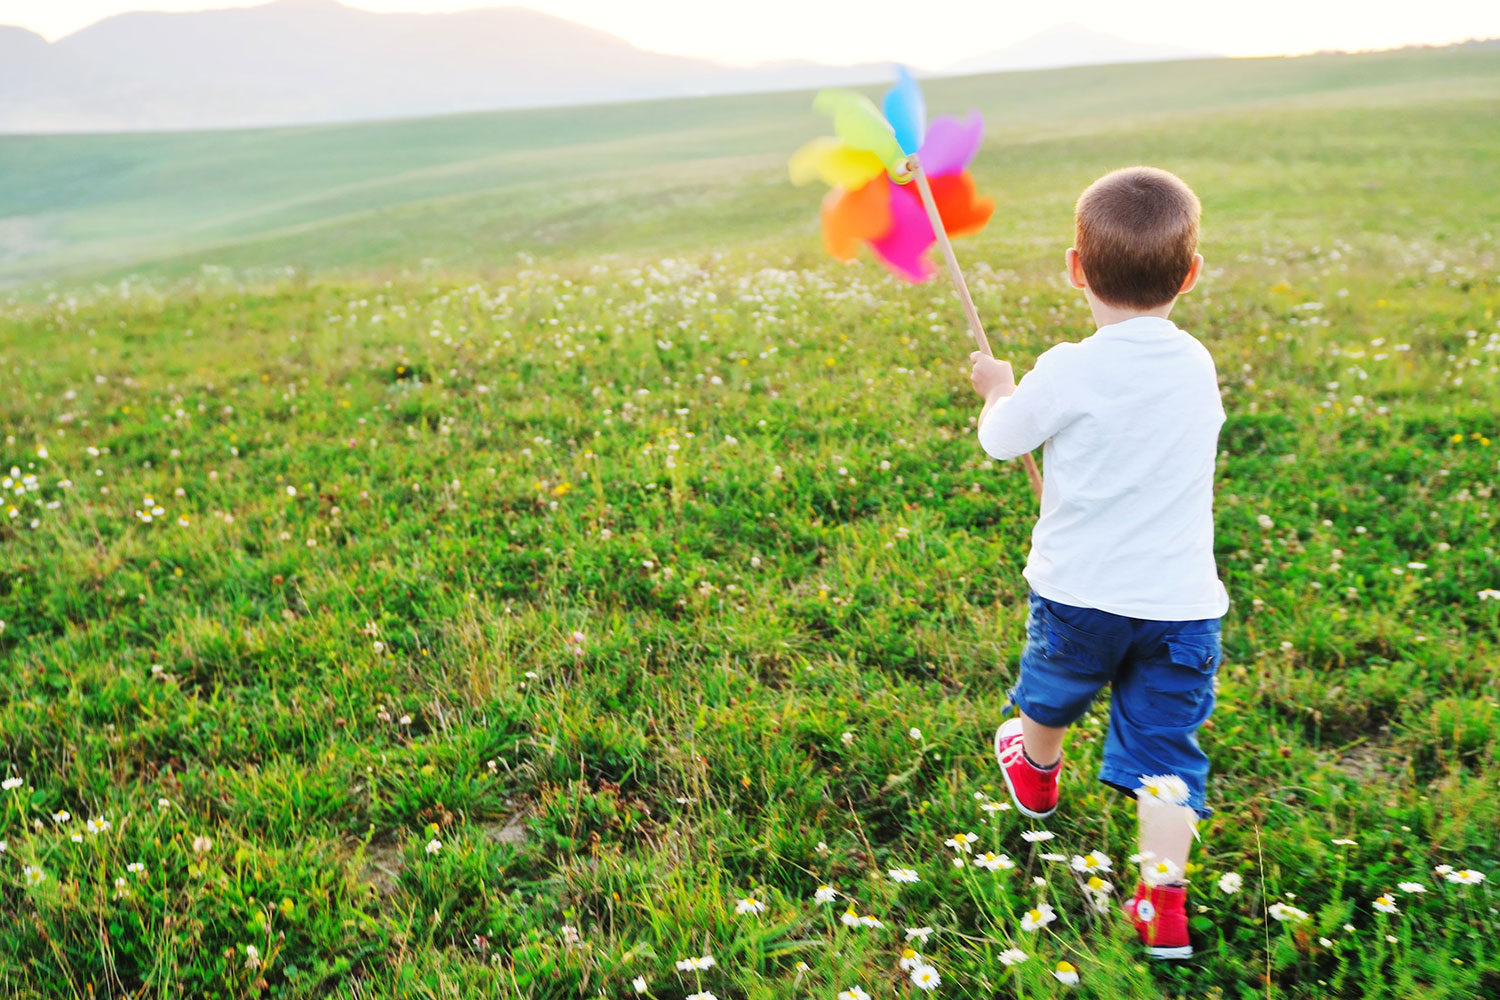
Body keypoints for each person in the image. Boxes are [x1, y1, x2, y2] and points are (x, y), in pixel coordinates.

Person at [969, 165, 1229, 960]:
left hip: (1082, 594)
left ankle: (1038, 766)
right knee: (1165, 755)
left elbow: (1002, 439)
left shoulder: (1069, 366)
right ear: (1189, 274)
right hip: (1181, 607)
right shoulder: (1196, 366)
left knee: (1051, 690)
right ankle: (1163, 906)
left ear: (1075, 268)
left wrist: (997, 389)